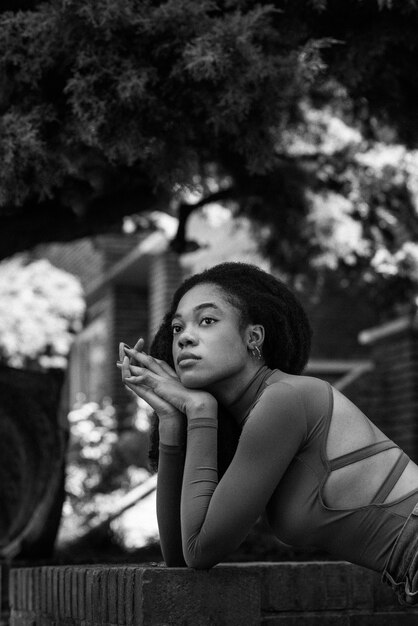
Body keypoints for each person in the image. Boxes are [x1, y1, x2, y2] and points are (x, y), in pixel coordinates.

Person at [118, 262, 418, 605]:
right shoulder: (255, 416)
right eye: (176, 327)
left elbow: (201, 551)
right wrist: (171, 417)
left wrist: (200, 409)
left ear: (253, 337)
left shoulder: (287, 399)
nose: (184, 336)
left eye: (207, 321)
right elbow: (180, 558)